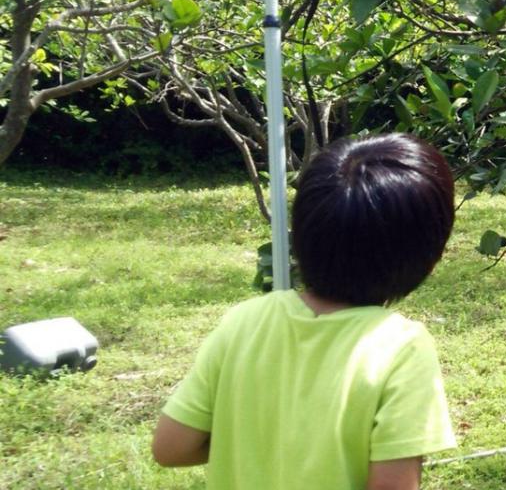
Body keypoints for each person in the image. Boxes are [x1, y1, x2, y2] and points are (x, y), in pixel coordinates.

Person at [151, 133, 458, 490]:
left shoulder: (244, 321)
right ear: (430, 255)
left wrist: (263, 442)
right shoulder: (402, 348)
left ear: (302, 234)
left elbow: (170, 448)